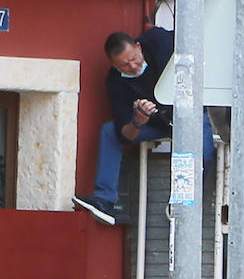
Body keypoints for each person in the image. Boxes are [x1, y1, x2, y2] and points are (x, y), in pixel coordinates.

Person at [72, 28, 216, 225]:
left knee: (202, 153)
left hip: (191, 114)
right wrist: (138, 120)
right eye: (124, 64)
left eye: (134, 57)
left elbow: (192, 35)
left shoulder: (159, 41)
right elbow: (125, 135)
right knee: (108, 131)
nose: (132, 65)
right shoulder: (115, 83)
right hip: (157, 122)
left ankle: (182, 201)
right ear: (114, 65)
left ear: (138, 46)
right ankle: (104, 200)